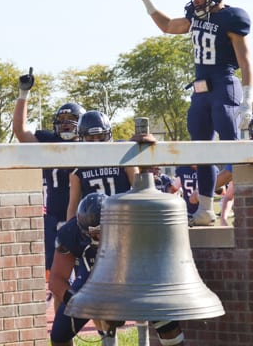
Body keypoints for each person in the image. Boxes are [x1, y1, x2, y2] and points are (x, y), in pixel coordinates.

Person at [138, 0, 253, 226]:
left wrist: (247, 100)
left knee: (232, 149)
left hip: (224, 86)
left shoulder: (232, 18)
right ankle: (205, 209)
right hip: (200, 92)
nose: (196, 1)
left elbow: (245, 61)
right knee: (201, 152)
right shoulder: (195, 16)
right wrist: (147, 1)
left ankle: (245, 203)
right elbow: (169, 26)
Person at [50, 193, 186, 346]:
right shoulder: (70, 233)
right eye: (95, 234)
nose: (101, 238)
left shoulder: (135, 227)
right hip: (91, 280)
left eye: (105, 231)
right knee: (60, 332)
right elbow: (56, 279)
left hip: (137, 278)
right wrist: (76, 301)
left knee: (166, 319)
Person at [13, 69, 86, 292]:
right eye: (61, 120)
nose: (65, 124)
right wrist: (23, 94)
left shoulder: (90, 144)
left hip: (85, 217)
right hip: (54, 217)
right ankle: (61, 313)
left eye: (71, 120)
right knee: (57, 278)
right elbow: (20, 132)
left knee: (86, 272)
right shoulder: (47, 140)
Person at [66, 111, 139, 221]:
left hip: (123, 217)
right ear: (81, 137)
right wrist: (69, 227)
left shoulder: (122, 154)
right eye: (90, 138)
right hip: (92, 221)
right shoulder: (78, 163)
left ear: (109, 134)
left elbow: (139, 190)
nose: (97, 142)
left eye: (101, 136)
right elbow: (73, 206)